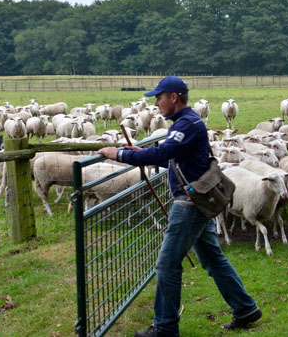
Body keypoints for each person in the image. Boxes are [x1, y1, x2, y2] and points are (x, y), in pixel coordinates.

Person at [98, 76, 261, 337]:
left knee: (167, 265)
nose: (156, 103)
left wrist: (118, 154)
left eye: (159, 97)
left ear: (173, 97)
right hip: (199, 198)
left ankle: (165, 327)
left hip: (190, 203)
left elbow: (163, 154)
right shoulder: (189, 122)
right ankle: (245, 308)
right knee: (212, 259)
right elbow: (177, 160)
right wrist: (136, 154)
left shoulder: (186, 124)